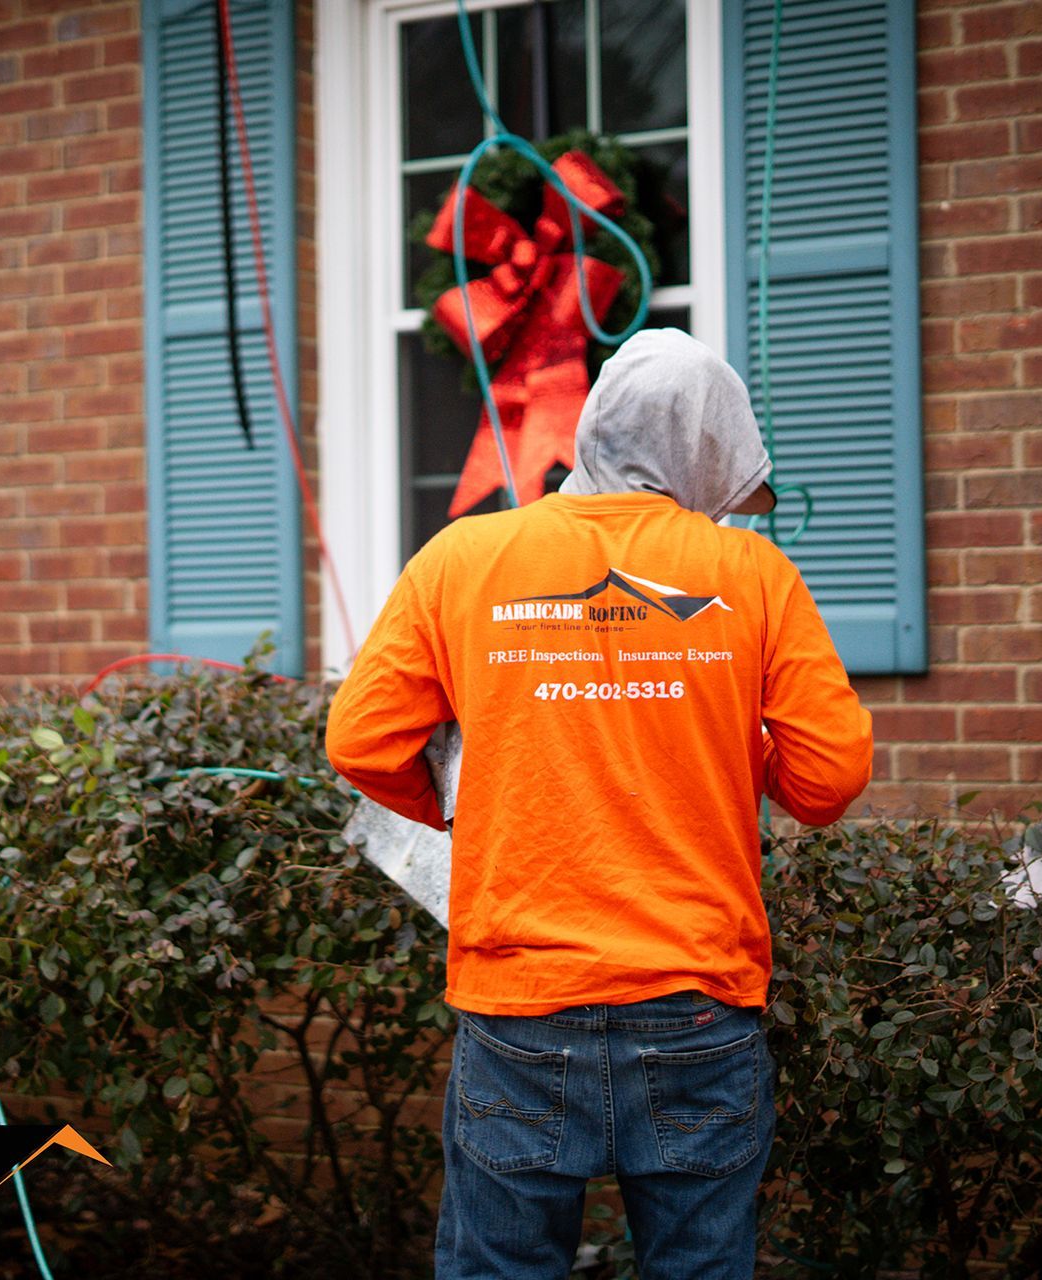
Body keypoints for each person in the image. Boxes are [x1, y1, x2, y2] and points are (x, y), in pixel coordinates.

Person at [324, 328, 873, 1280]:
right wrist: (728, 743)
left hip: (521, 1005)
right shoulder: (751, 576)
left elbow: (359, 743)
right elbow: (827, 784)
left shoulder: (463, 558)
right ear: (708, 452)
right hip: (696, 1001)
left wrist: (463, 812)